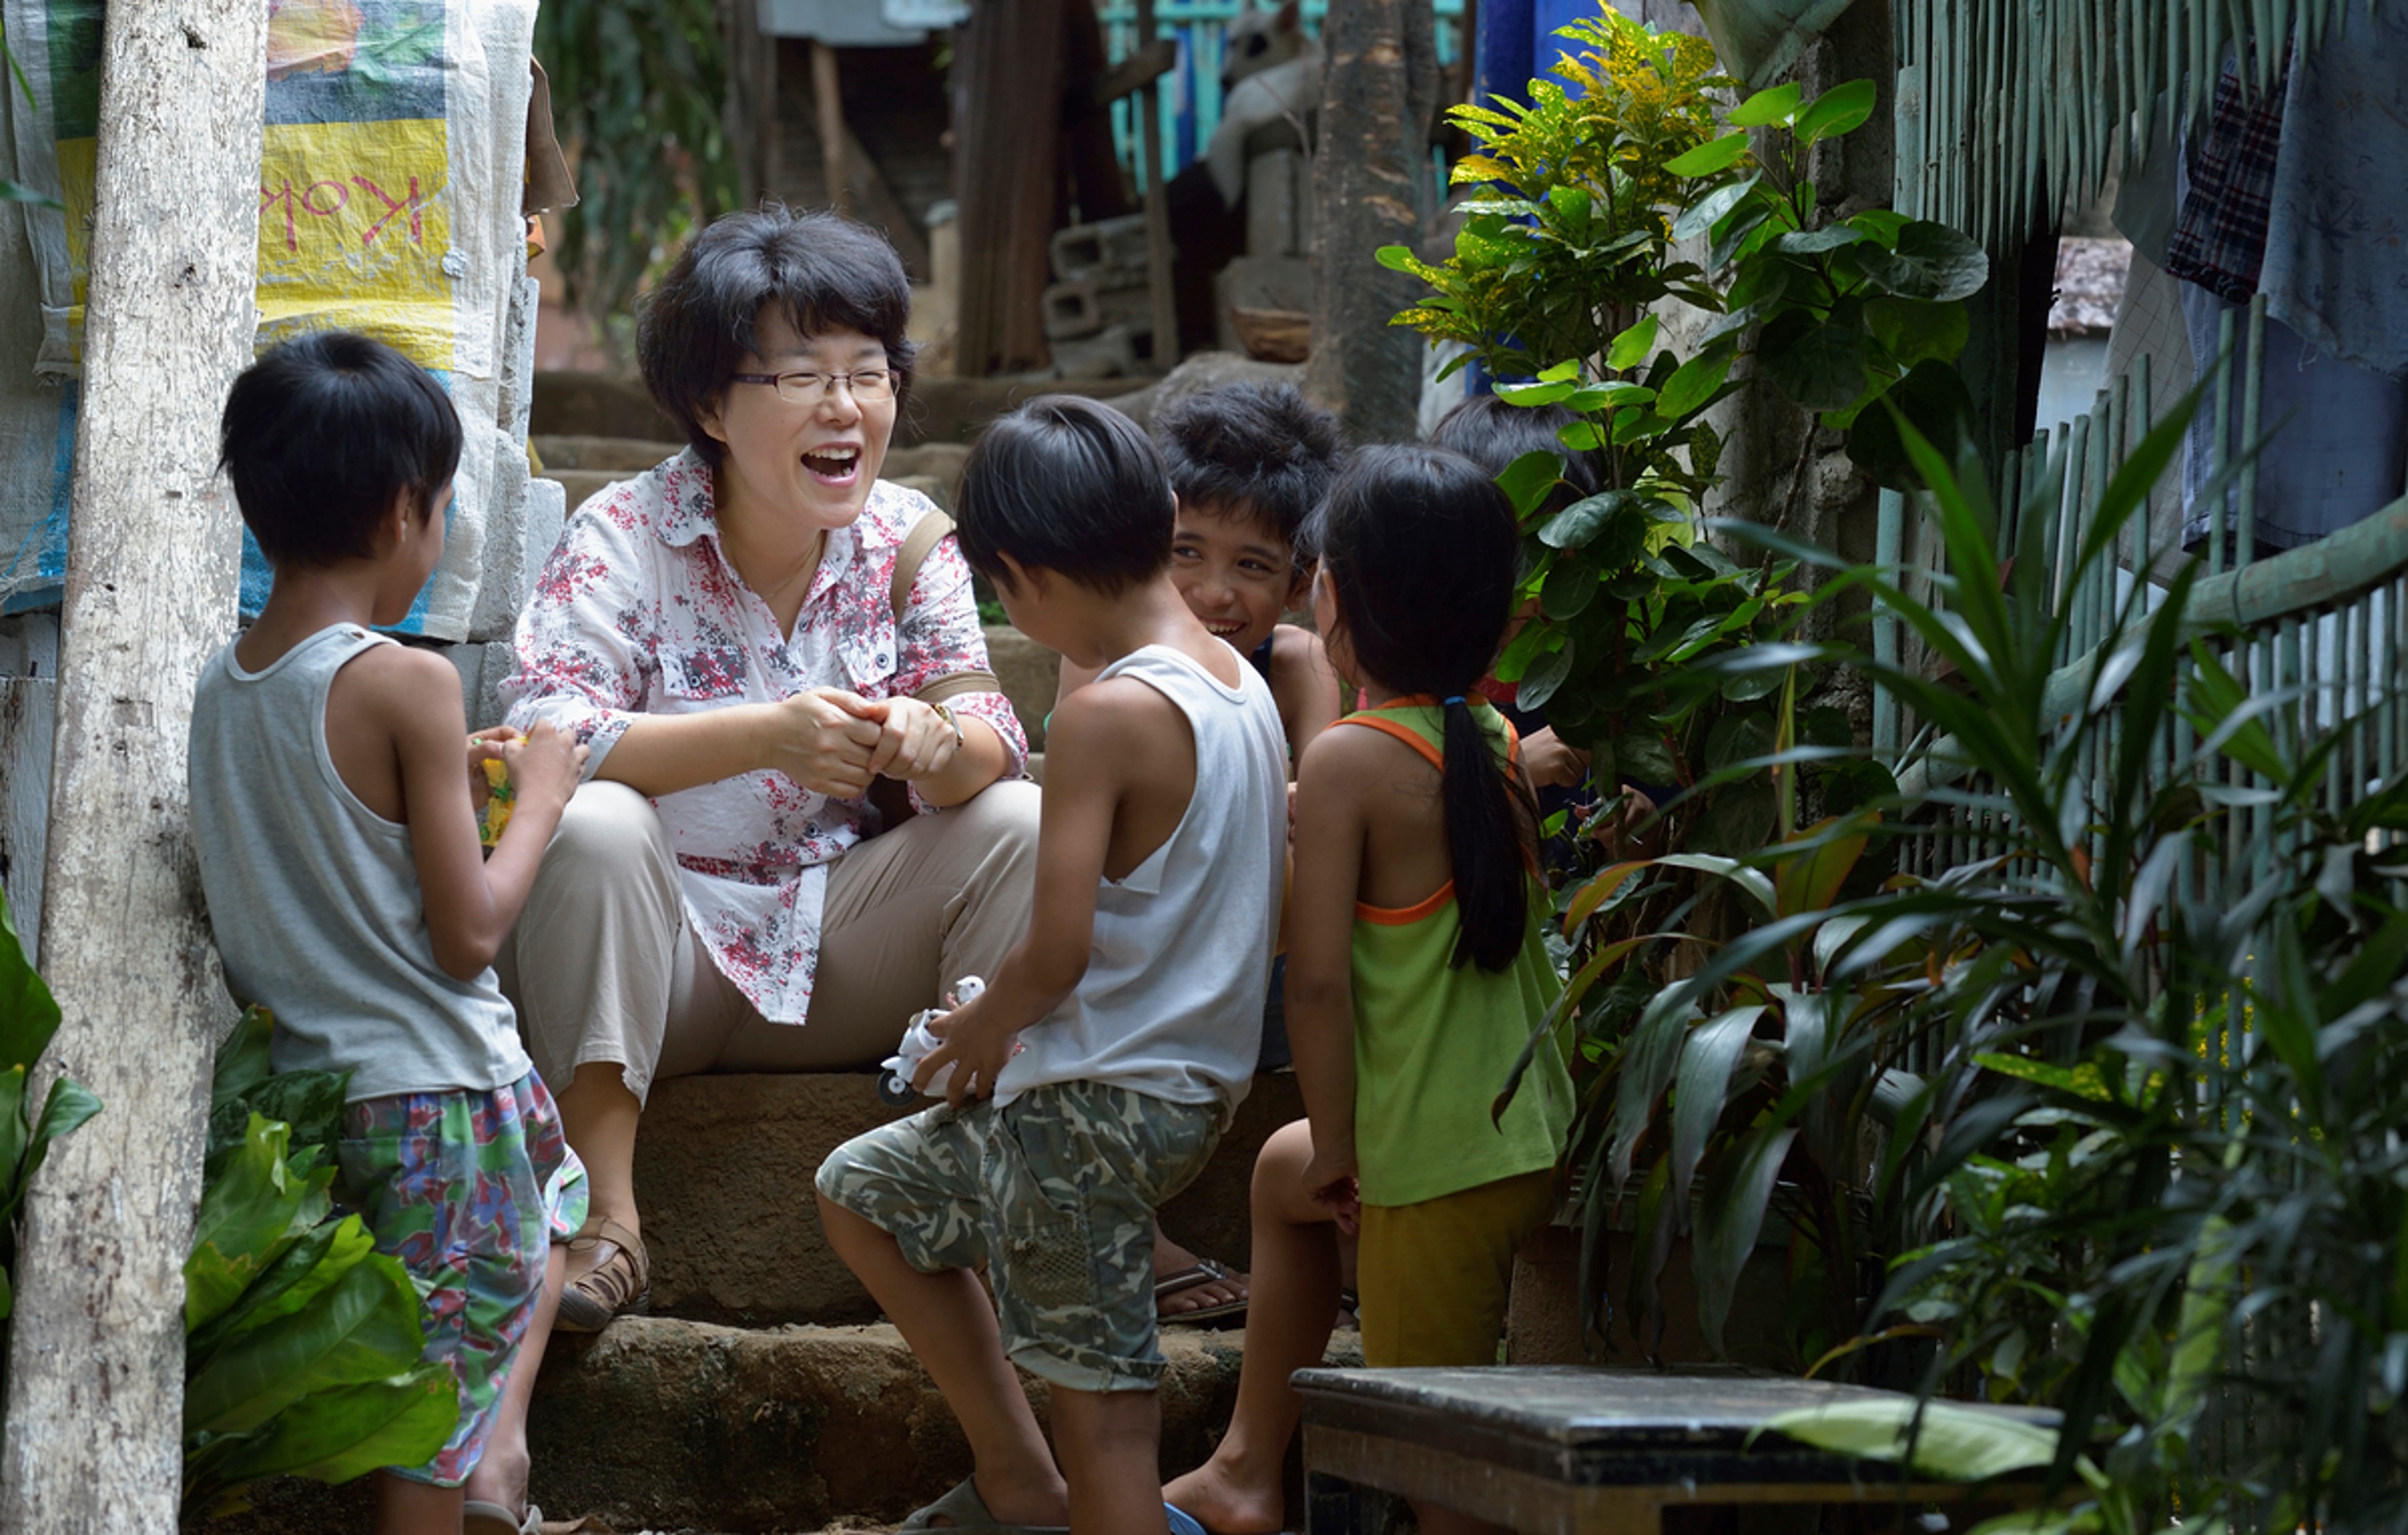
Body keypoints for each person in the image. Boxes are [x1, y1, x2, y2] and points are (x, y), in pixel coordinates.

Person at [497, 205, 1037, 1332]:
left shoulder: (911, 540)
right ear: (709, 404)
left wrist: (943, 750)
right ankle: (604, 1219)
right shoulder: (621, 533)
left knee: (1020, 822)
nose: (846, 408)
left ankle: (951, 1181)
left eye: (869, 372)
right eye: (799, 377)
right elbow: (546, 732)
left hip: (842, 947)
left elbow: (989, 717)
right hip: (664, 961)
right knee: (592, 822)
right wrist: (763, 732)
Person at [816, 397, 1288, 1535]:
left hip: (1088, 1111)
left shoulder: (1107, 712)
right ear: (1163, 519)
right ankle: (1022, 1480)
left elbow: (1060, 945)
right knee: (865, 1190)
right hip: (1179, 1093)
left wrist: (980, 1032)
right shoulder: (1241, 683)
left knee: (1111, 1423)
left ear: (1021, 577)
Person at [190, 331, 588, 1535]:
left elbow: (323, 839)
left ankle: (497, 1470)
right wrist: (550, 797)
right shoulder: (405, 682)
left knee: (545, 1210)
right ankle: (479, 1480)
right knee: (425, 1424)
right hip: (444, 1098)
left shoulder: (224, 684)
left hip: (317, 1102)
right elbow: (467, 933)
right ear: (407, 508)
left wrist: (443, 790)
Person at [1165, 445, 1576, 1535]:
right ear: (1500, 626)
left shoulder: (1349, 760)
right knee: (1277, 1168)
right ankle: (1247, 1472)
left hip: (1434, 1171)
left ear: (1329, 597)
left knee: (1431, 1462)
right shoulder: (1484, 737)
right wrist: (1325, 1151)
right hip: (1513, 1135)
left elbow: (1316, 991)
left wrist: (1346, 1146)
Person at [1053, 379, 1346, 1322]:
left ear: (1301, 583)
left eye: (1253, 566)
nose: (1215, 593)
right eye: (1187, 552)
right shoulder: (1098, 657)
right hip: (1131, 958)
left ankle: (1345, 1217)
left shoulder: (1298, 663)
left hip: (1253, 968)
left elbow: (1330, 803)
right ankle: (1129, 1231)